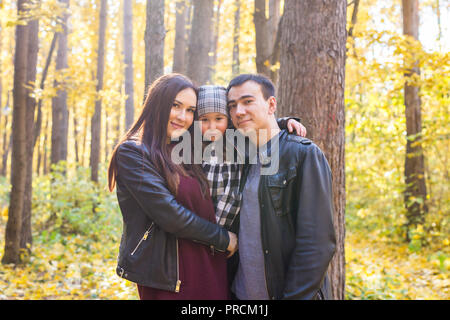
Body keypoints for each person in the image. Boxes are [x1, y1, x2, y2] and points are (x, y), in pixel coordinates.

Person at [107, 74, 237, 300]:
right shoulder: (133, 153)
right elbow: (171, 216)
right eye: (175, 105)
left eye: (190, 110)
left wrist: (281, 124)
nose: (182, 116)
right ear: (157, 103)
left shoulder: (187, 148)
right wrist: (224, 239)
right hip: (170, 278)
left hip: (210, 264)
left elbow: (235, 125)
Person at [225, 74, 336, 300]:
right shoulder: (238, 156)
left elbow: (317, 245)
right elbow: (203, 126)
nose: (238, 111)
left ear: (271, 104)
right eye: (232, 105)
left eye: (248, 102)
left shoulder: (303, 154)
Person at [196, 85, 306, 230]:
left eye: (218, 119)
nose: (212, 126)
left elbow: (259, 125)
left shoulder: (237, 140)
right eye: (204, 120)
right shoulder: (192, 145)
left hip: (228, 230)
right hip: (203, 228)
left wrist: (284, 122)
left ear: (228, 120)